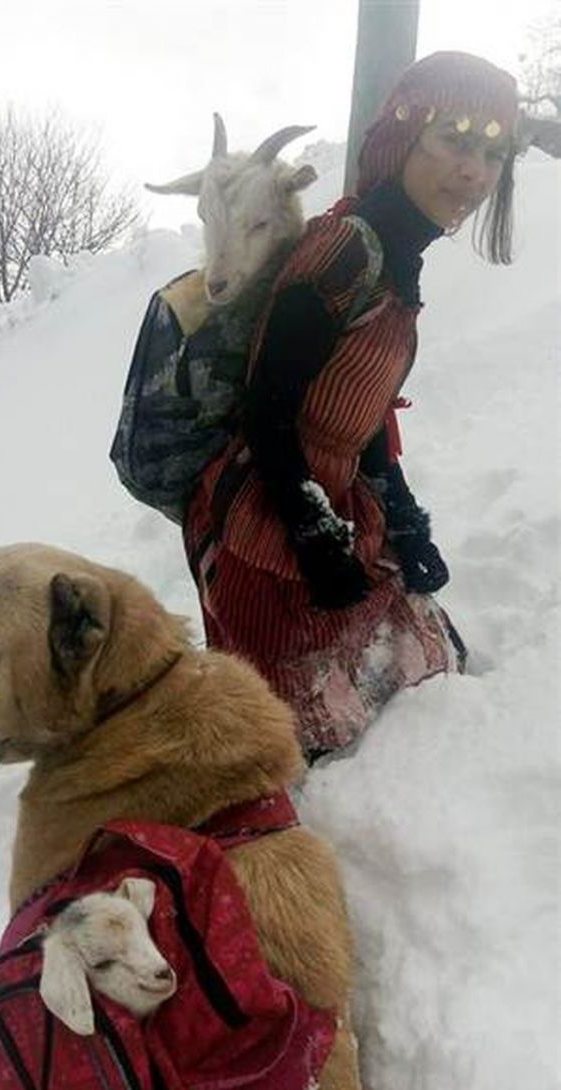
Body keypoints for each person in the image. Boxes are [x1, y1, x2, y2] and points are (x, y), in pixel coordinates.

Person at [181, 51, 522, 759]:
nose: (474, 171)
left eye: (493, 151)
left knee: (414, 677)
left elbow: (357, 410)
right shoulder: (345, 251)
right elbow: (267, 410)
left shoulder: (394, 258)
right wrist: (311, 529)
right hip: (269, 530)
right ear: (403, 135)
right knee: (301, 745)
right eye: (455, 139)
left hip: (339, 505)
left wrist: (399, 509)